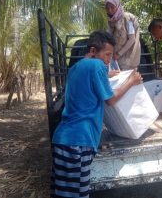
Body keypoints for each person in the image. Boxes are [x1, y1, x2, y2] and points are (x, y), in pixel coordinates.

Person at [50, 31, 142, 198]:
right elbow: (111, 100)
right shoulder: (98, 66)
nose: (109, 60)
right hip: (79, 143)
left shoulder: (75, 68)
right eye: (107, 55)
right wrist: (131, 81)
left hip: (61, 140)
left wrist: (106, 75)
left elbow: (88, 80)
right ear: (93, 51)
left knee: (62, 193)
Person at [105, 0, 141, 70]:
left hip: (127, 59)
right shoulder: (108, 22)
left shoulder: (127, 18)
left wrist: (119, 54)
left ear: (117, 6)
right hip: (115, 60)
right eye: (107, 8)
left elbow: (132, 39)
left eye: (112, 7)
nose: (110, 10)